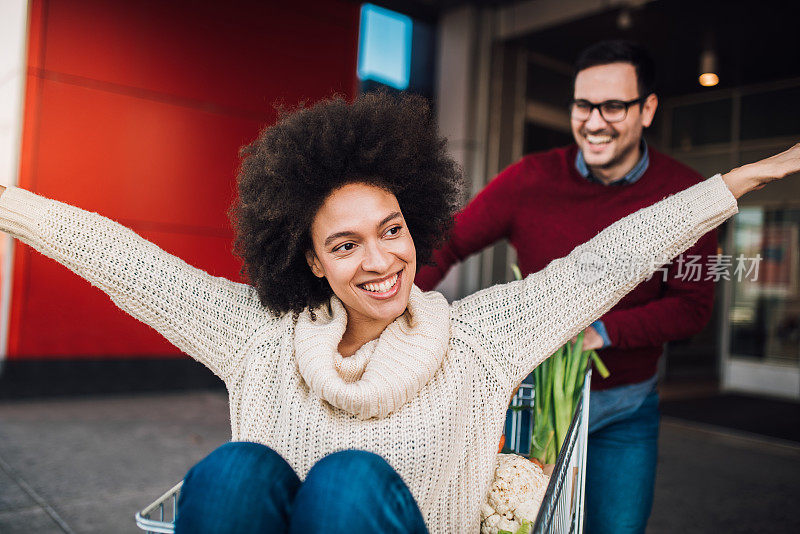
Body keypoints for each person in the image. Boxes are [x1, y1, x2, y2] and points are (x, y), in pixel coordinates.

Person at [0, 90, 796, 534]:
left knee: (348, 487)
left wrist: (744, 181)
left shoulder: (481, 339)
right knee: (233, 472)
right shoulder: (258, 337)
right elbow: (128, 264)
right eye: (345, 247)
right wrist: (10, 207)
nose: (381, 261)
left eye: (392, 231)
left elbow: (608, 260)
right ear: (309, 259)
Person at [415, 40, 719, 533]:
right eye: (583, 105)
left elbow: (692, 309)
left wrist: (600, 330)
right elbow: (445, 244)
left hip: (625, 407)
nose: (594, 121)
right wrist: (391, 308)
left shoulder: (689, 194)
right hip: (530, 402)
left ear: (647, 109)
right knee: (517, 526)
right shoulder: (529, 179)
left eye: (614, 106)